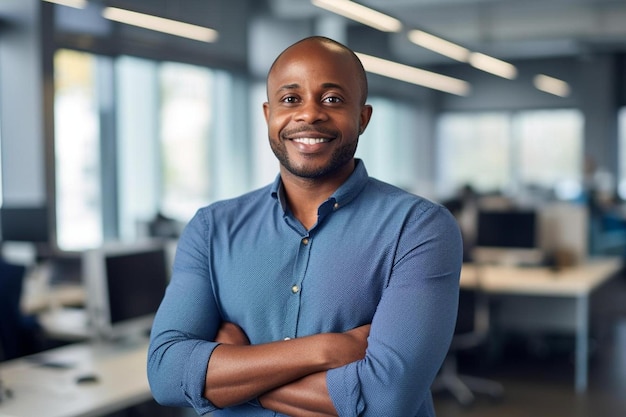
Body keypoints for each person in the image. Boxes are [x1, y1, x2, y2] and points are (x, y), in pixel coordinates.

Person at [147, 36, 462, 416]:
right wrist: (326, 350)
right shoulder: (211, 229)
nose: (309, 115)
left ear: (362, 117)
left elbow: (385, 400)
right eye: (291, 99)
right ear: (268, 114)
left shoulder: (418, 228)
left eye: (332, 99)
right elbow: (166, 375)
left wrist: (230, 371)